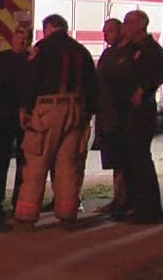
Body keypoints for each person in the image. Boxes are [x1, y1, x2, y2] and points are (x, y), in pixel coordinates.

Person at [12, 13, 99, 230]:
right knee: (68, 165)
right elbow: (92, 85)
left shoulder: (41, 49)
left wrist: (24, 108)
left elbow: (30, 80)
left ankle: (26, 216)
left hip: (48, 110)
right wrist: (87, 113)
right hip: (77, 111)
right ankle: (68, 214)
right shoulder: (81, 51)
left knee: (36, 163)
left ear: (49, 27)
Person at [112, 10, 163, 224]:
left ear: (141, 25)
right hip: (126, 111)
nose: (124, 26)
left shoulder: (150, 48)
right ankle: (132, 205)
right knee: (129, 159)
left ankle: (151, 210)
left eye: (129, 22)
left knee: (140, 159)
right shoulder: (130, 48)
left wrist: (144, 89)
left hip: (142, 111)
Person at [0, 31, 33, 224]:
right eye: (18, 38)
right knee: (3, 161)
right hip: (5, 114)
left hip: (24, 116)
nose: (21, 41)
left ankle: (18, 201)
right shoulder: (3, 59)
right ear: (12, 40)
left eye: (24, 39)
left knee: (24, 161)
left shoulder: (31, 59)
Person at [92, 19, 131, 216]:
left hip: (119, 117)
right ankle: (119, 199)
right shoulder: (109, 53)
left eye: (109, 30)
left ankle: (123, 201)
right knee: (115, 161)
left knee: (122, 162)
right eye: (103, 30)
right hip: (107, 115)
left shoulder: (126, 54)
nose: (105, 34)